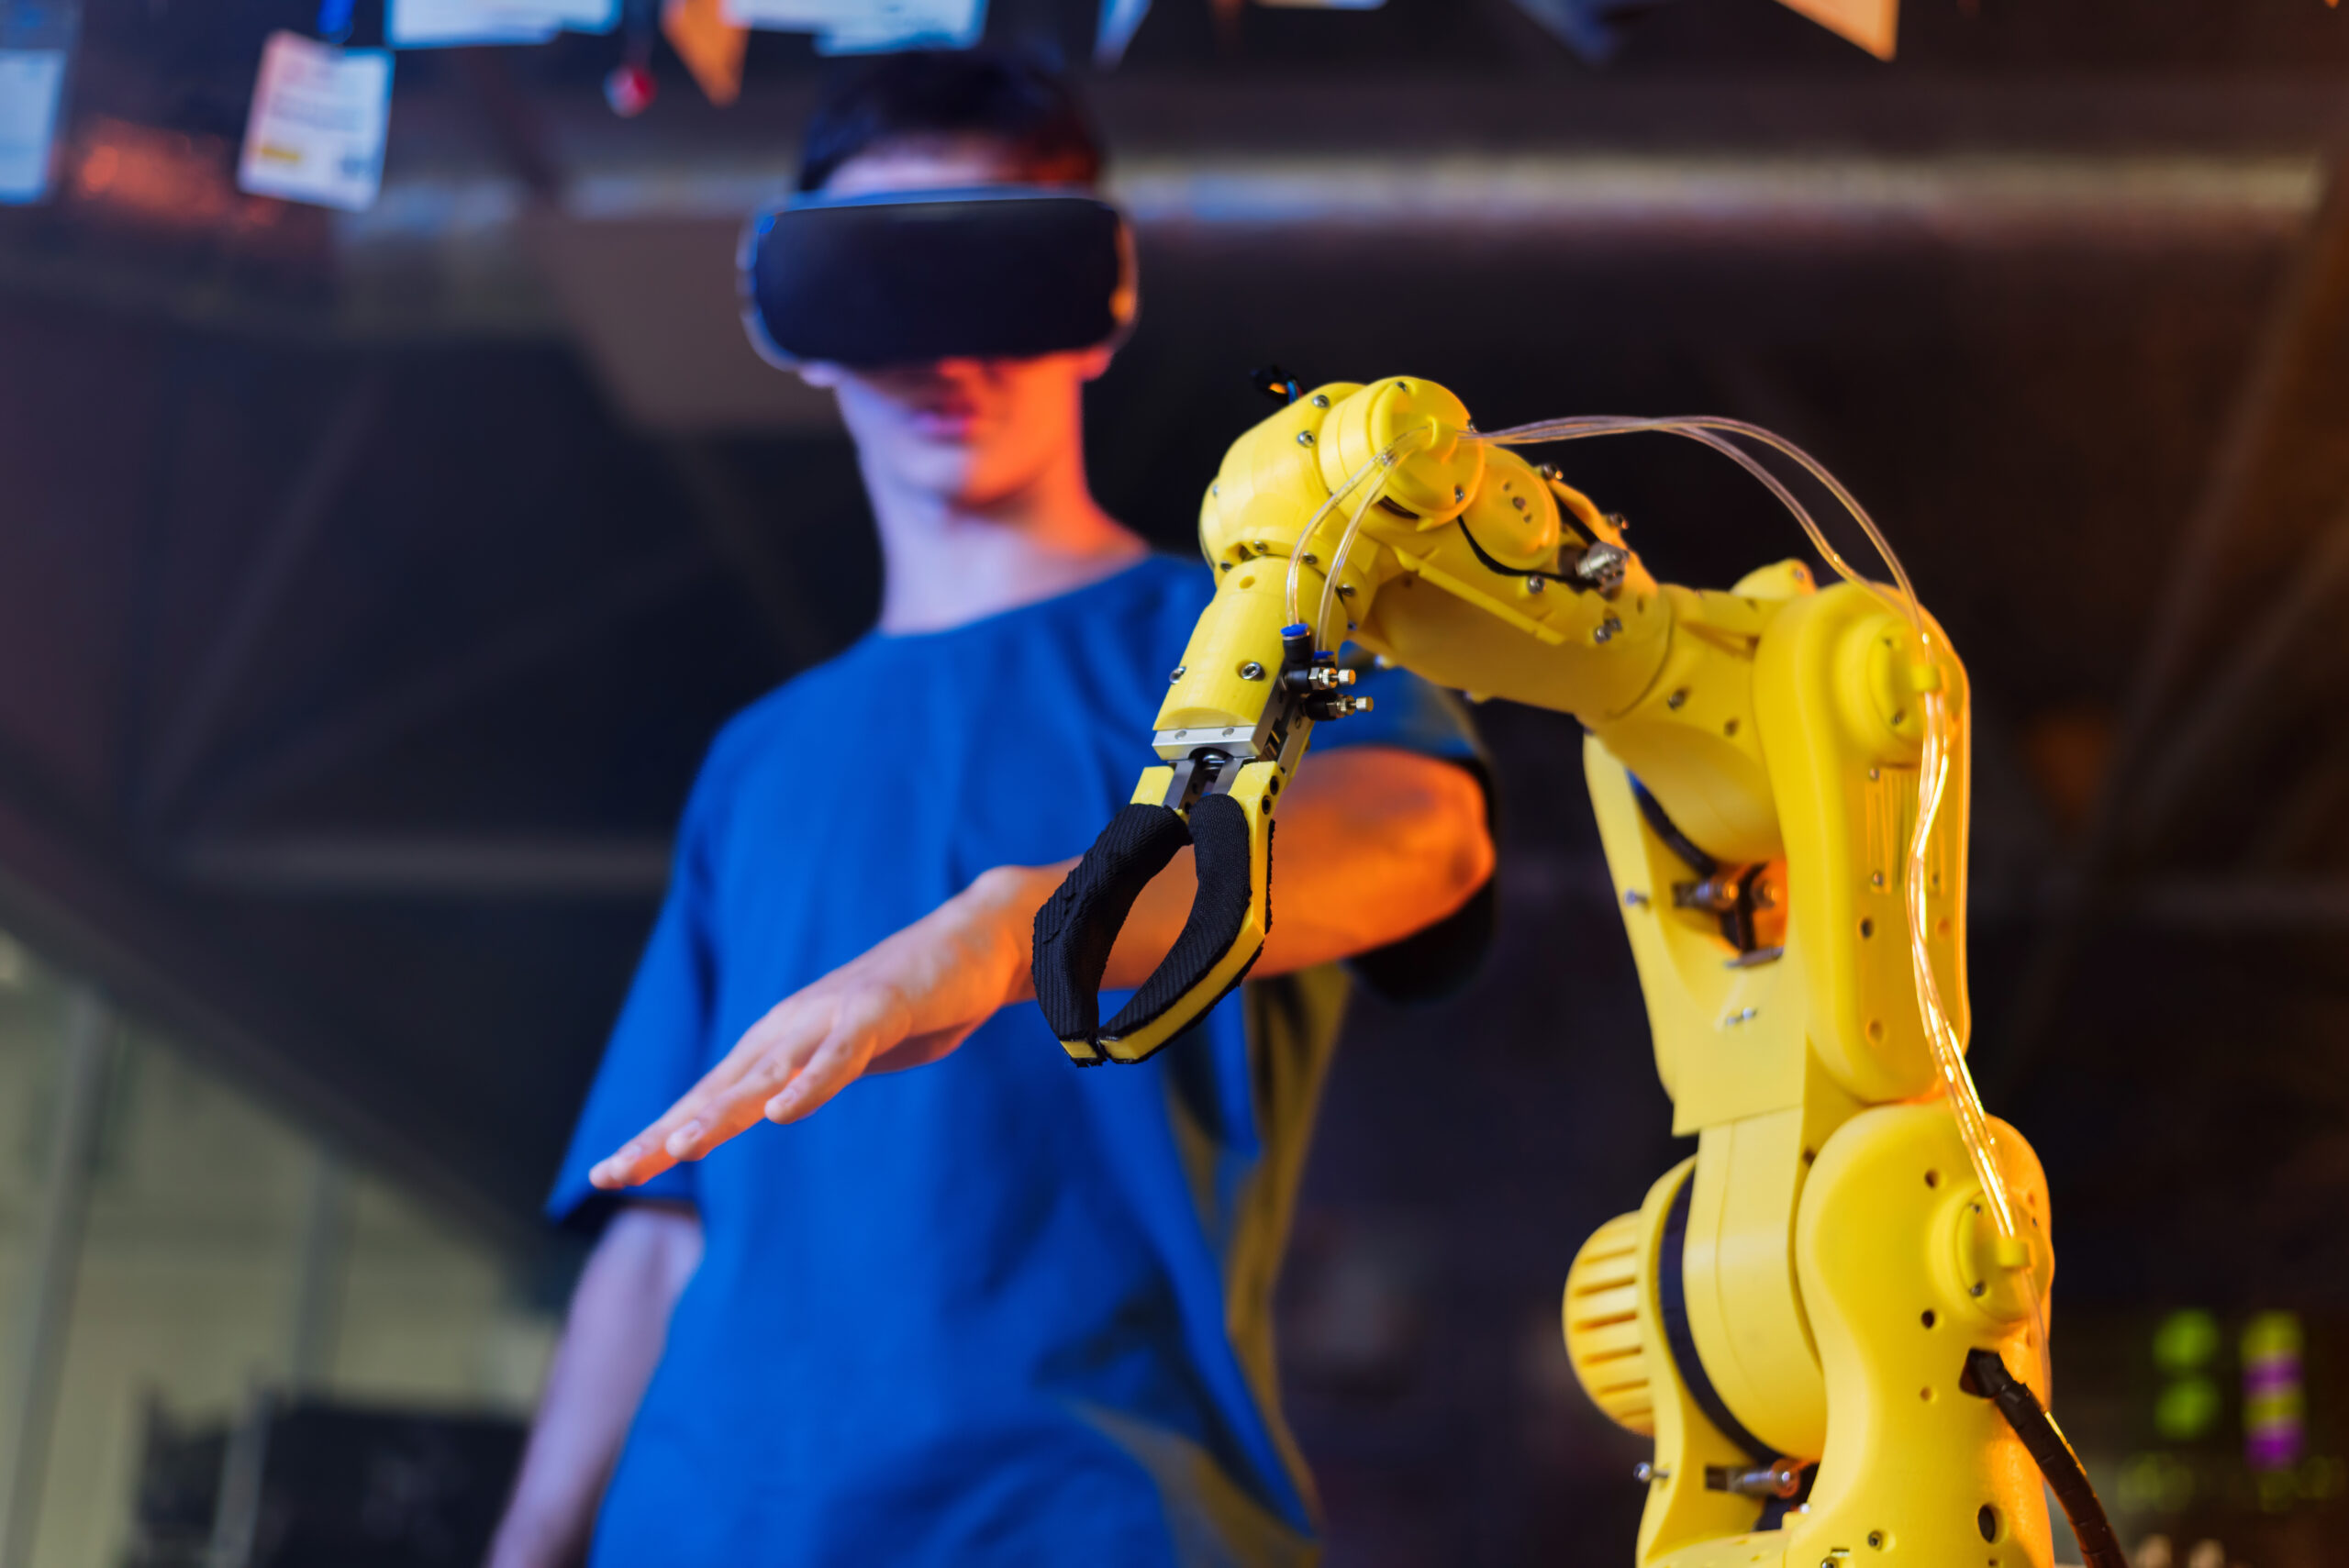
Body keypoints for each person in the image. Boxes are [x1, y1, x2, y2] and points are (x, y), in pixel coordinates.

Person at [485, 49, 1496, 1568]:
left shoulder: (1234, 642)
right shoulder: (761, 760)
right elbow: (664, 1221)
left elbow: (1424, 835)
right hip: (703, 1529)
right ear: (801, 321)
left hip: (1088, 1521)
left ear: (1097, 300)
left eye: (994, 270)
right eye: (883, 279)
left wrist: (1031, 924)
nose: (940, 346)